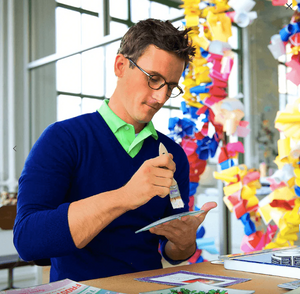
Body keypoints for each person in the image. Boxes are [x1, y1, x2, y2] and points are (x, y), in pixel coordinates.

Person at [14, 18, 217, 282]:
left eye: (170, 86)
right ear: (120, 66)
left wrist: (184, 242)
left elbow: (174, 252)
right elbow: (28, 241)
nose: (160, 97)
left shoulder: (172, 154)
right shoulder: (62, 139)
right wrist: (125, 196)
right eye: (153, 79)